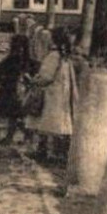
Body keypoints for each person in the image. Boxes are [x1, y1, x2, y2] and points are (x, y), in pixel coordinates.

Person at [24, 27, 79, 162]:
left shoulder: (53, 56)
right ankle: (59, 153)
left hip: (52, 95)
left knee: (44, 123)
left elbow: (47, 77)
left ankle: (45, 152)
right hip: (62, 94)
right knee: (60, 125)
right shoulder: (65, 57)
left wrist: (34, 81)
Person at [0, 34, 33, 145]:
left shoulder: (13, 59)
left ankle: (20, 136)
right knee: (15, 115)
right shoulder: (26, 60)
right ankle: (23, 135)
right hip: (18, 89)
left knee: (14, 115)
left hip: (12, 89)